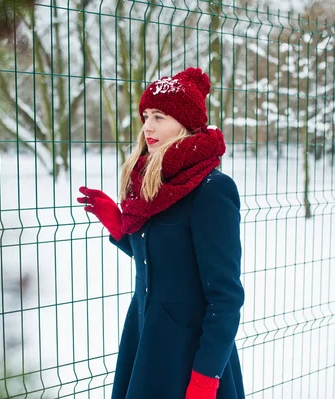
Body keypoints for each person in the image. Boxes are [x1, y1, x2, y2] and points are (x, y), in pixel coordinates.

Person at [77, 67, 245, 399]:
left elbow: (225, 299)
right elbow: (166, 261)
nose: (148, 126)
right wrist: (118, 227)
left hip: (189, 352)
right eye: (146, 116)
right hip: (146, 337)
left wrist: (205, 378)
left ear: (185, 122)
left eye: (160, 116)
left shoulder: (212, 191)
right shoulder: (153, 184)